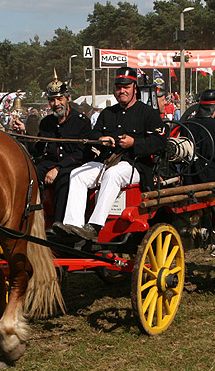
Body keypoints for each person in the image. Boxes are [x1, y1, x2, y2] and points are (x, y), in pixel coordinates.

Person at [57, 67, 166, 241]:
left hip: (135, 165)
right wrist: (101, 138)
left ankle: (94, 227)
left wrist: (134, 143)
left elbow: (159, 143)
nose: (122, 91)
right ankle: (74, 227)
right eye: (118, 87)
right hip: (107, 161)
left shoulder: (148, 114)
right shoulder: (108, 113)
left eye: (126, 87)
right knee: (77, 174)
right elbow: (92, 135)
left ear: (134, 88)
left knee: (113, 174)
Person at [33, 77, 92, 223]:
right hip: (50, 163)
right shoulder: (46, 123)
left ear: (68, 98)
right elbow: (37, 151)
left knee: (65, 178)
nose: (57, 104)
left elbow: (81, 153)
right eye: (52, 100)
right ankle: (32, 219)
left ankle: (58, 224)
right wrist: (22, 133)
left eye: (60, 99)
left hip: (72, 165)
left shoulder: (81, 121)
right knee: (32, 174)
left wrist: (58, 168)